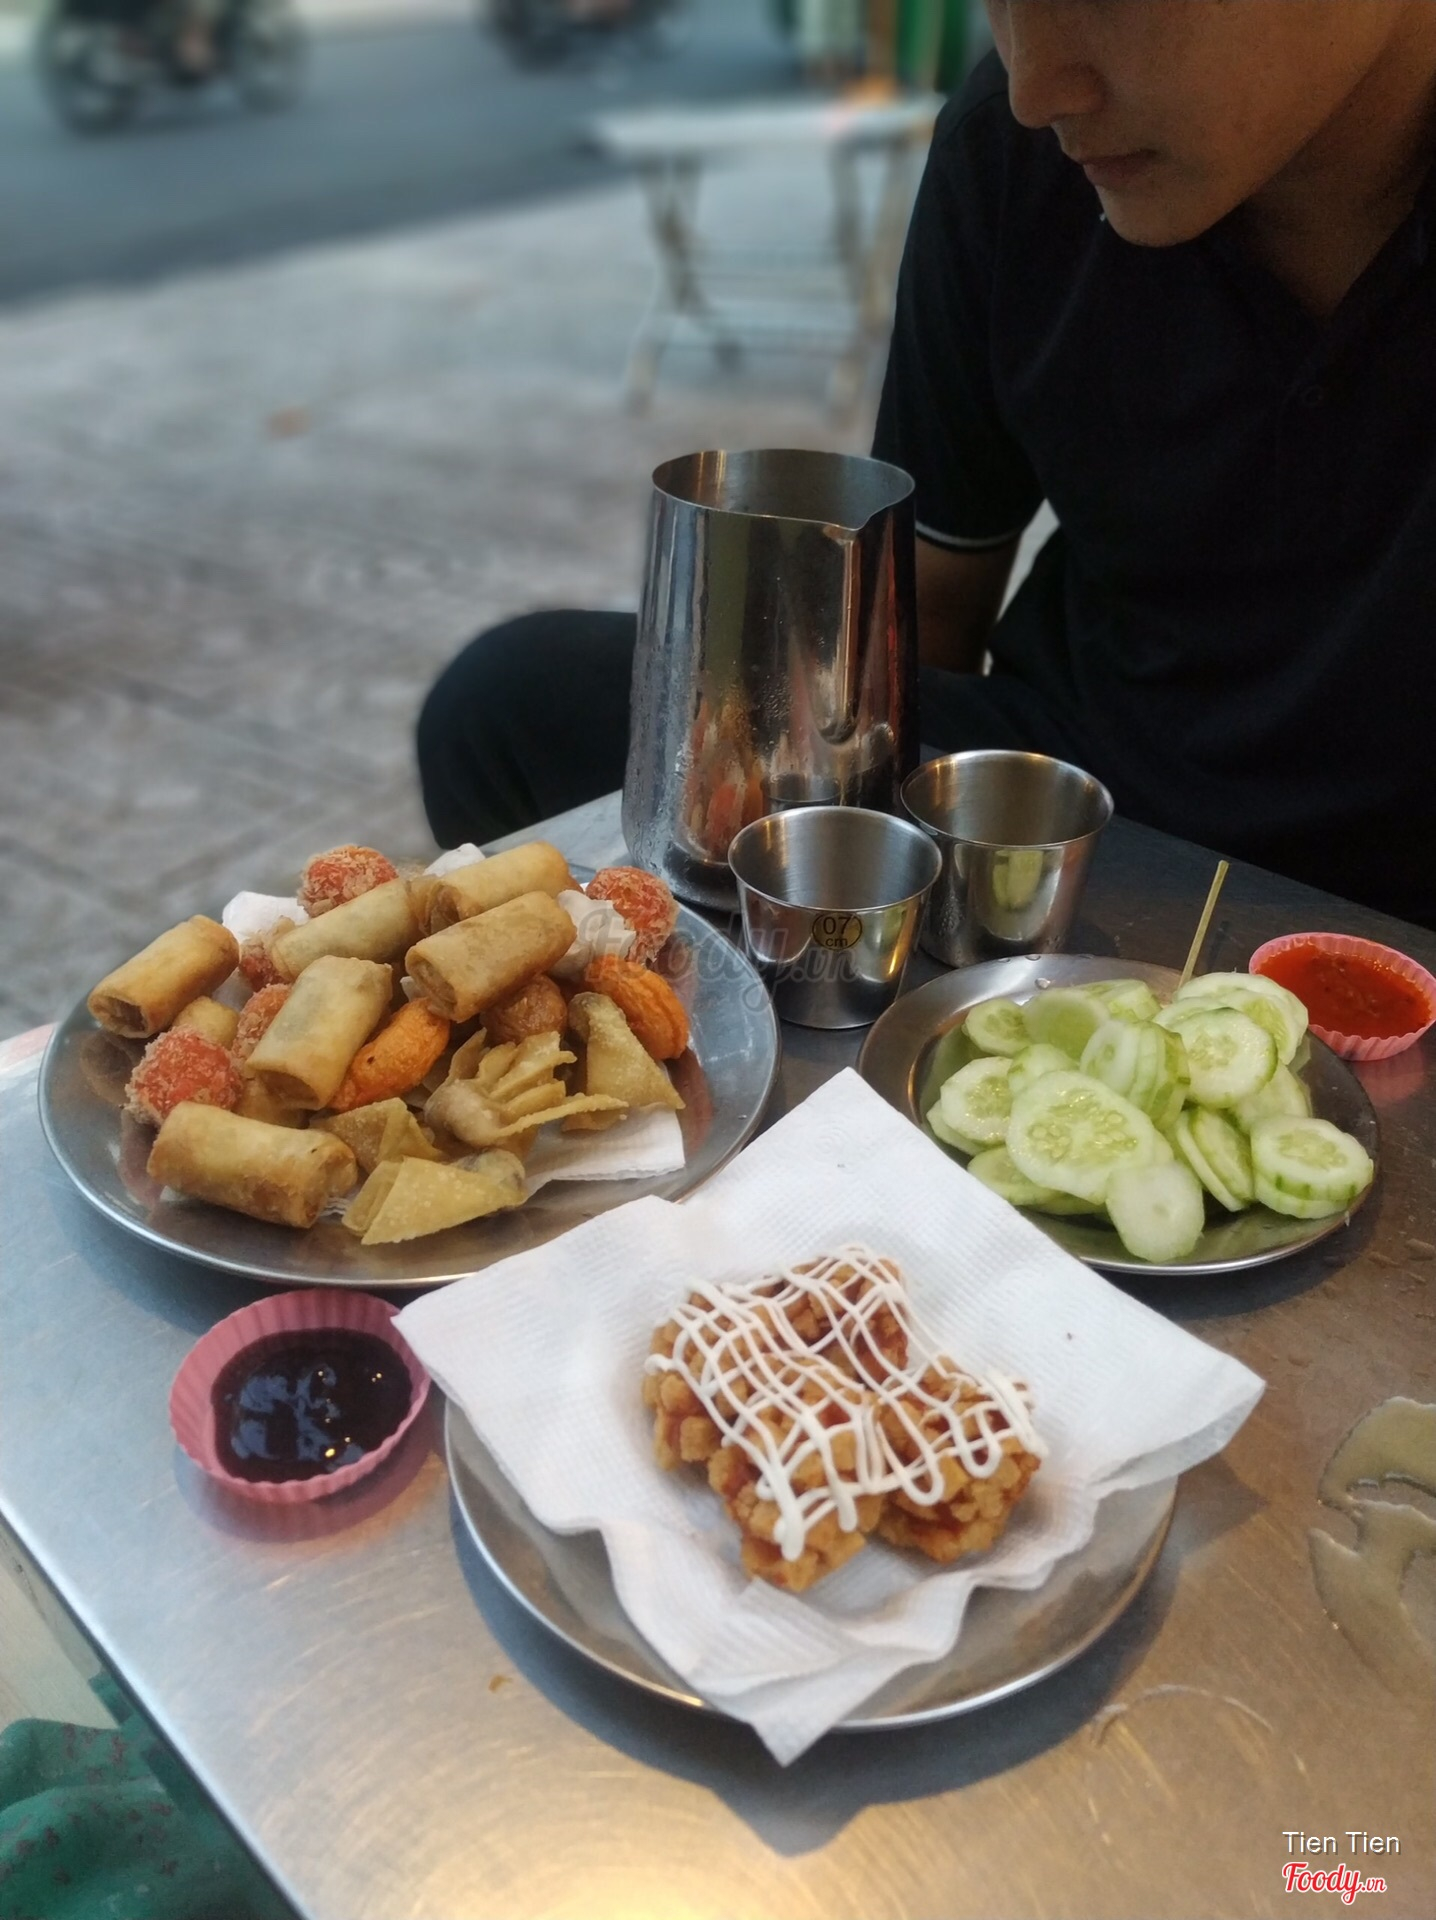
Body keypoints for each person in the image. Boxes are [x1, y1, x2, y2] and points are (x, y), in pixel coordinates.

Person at [418, 0, 1436, 928]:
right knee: (508, 707)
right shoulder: (1014, 150)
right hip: (1072, 792)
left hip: (1394, 869)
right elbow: (924, 621)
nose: (1037, 86)